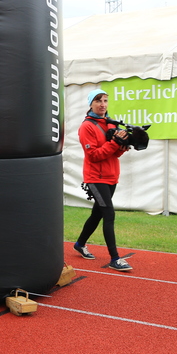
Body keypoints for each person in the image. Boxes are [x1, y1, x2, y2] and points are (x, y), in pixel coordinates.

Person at [72, 89, 132, 271]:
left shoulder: (110, 123)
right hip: (95, 178)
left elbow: (114, 153)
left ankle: (80, 244)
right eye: (98, 101)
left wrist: (123, 146)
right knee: (108, 214)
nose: (103, 104)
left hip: (111, 176)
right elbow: (93, 155)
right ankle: (115, 258)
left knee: (97, 213)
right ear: (90, 104)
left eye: (105, 100)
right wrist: (114, 143)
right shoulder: (86, 126)